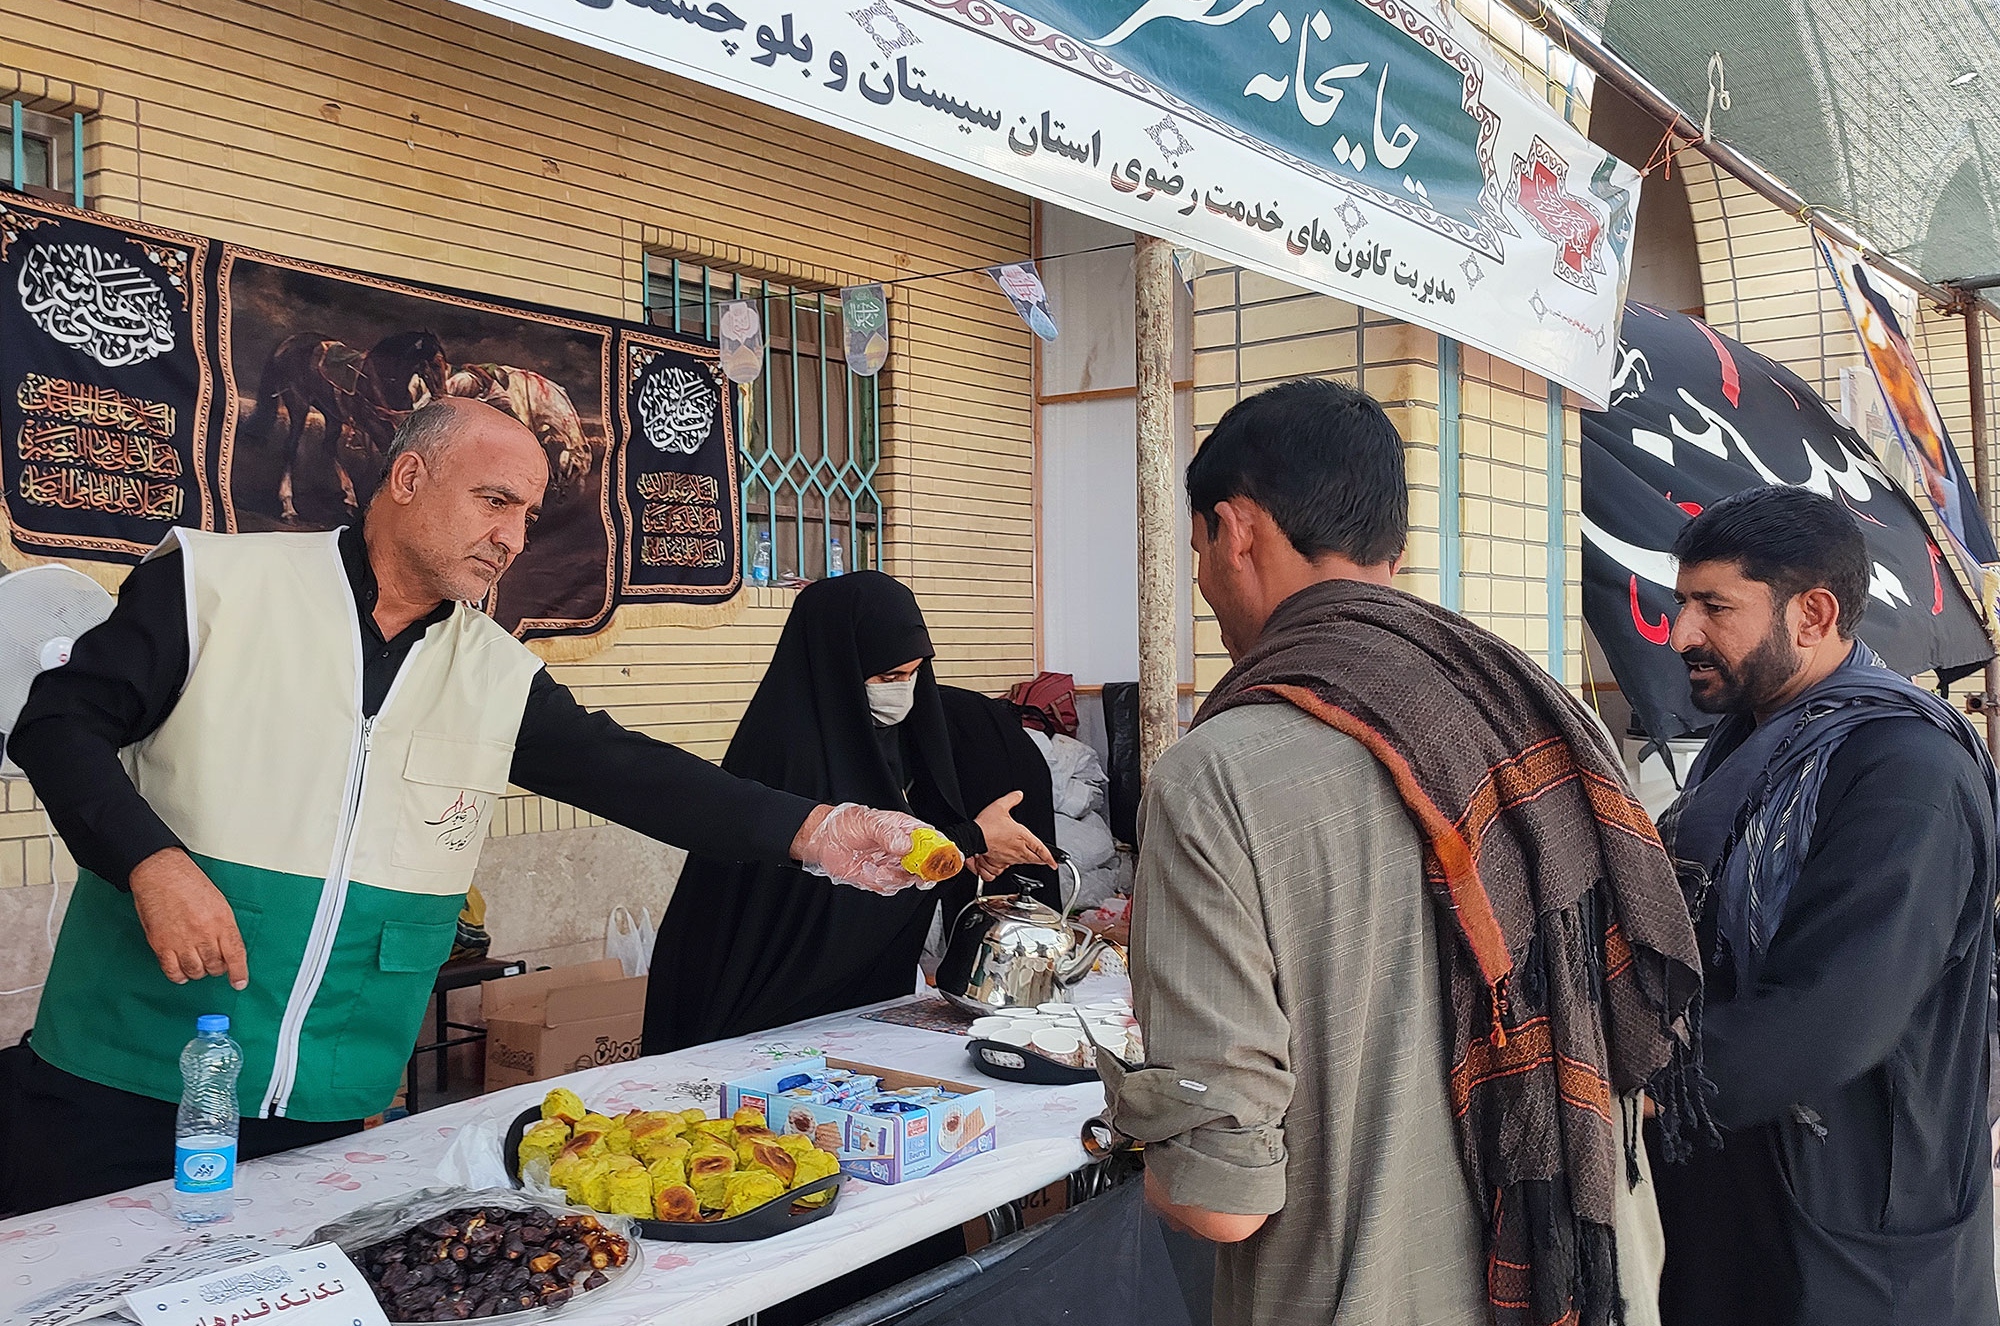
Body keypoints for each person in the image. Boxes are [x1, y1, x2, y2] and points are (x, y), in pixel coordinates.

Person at [2, 398, 940, 1213]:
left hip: (328, 1098)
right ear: (408, 477)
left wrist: (820, 831)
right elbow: (56, 725)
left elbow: (634, 773)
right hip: (126, 1061)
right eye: (495, 501)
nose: (513, 538)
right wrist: (149, 860)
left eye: (528, 515)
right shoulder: (218, 587)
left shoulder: (493, 671)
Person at [1098, 379, 1701, 1326]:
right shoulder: (1542, 711)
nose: (1206, 581)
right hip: (1590, 1282)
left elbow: (1220, 1203)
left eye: (1201, 549)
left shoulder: (1214, 775)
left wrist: (1140, 1139)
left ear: (1236, 530)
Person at [1648, 485, 1999, 1326]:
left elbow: (1836, 1011)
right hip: (1744, 1201)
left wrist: (1629, 1084)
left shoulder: (1905, 769)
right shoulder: (1755, 740)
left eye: (1713, 606)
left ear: (1812, 614)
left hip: (1862, 1232)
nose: (1683, 634)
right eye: (1681, 603)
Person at [643, 571, 1059, 1054]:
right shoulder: (790, 752)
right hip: (764, 1004)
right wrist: (967, 839)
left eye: (913, 674)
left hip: (853, 1003)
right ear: (835, 668)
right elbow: (844, 893)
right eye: (887, 678)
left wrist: (953, 853)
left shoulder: (891, 741)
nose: (903, 692)